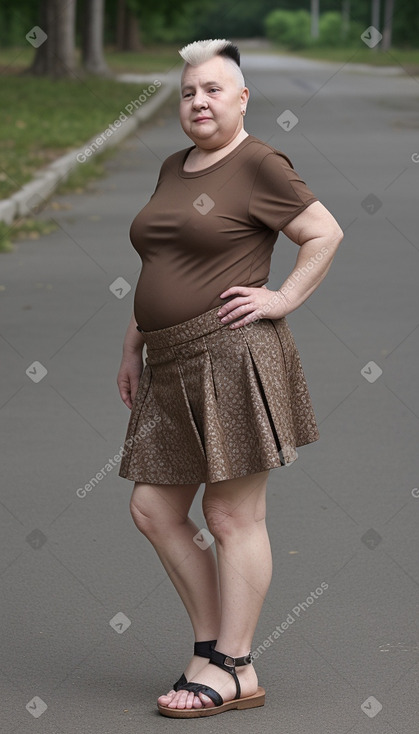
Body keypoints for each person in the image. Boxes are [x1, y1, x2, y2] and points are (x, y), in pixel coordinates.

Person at [116, 38, 343, 718]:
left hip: (231, 354)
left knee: (230, 513)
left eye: (212, 89)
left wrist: (281, 298)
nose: (198, 101)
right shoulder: (174, 165)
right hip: (168, 359)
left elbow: (323, 232)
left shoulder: (259, 164)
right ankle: (212, 648)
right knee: (155, 510)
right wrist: (134, 343)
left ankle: (234, 666)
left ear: (242, 97)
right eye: (188, 92)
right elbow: (161, 259)